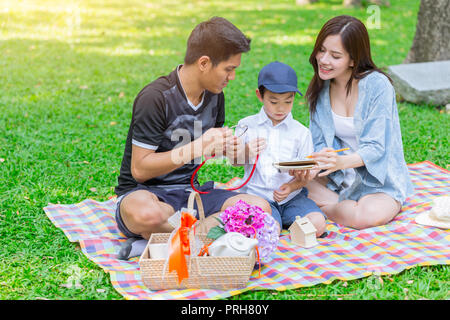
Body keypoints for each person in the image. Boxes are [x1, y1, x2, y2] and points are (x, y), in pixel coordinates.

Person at [114, 17, 272, 260]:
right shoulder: (155, 98)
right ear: (204, 63)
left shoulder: (215, 96)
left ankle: (163, 243)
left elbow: (212, 151)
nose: (232, 77)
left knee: (258, 208)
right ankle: (202, 242)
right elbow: (139, 169)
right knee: (147, 214)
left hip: (190, 195)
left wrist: (233, 150)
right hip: (147, 193)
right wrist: (198, 145)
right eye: (229, 69)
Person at [293, 15, 414, 230]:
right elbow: (319, 144)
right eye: (321, 50)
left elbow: (376, 148)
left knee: (366, 216)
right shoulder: (320, 91)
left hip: (378, 182)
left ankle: (325, 208)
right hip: (335, 179)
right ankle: (335, 205)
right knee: (284, 184)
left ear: (353, 60)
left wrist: (340, 162)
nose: (323, 59)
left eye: (335, 55)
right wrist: (313, 167)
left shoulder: (378, 86)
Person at [230, 61, 326, 236]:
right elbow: (235, 163)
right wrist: (246, 151)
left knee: (318, 224)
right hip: (259, 198)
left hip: (292, 197)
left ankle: (290, 224)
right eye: (273, 102)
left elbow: (307, 172)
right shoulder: (246, 126)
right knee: (267, 229)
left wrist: (292, 186)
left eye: (288, 102)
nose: (281, 108)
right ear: (260, 95)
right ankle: (280, 225)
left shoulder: (301, 132)